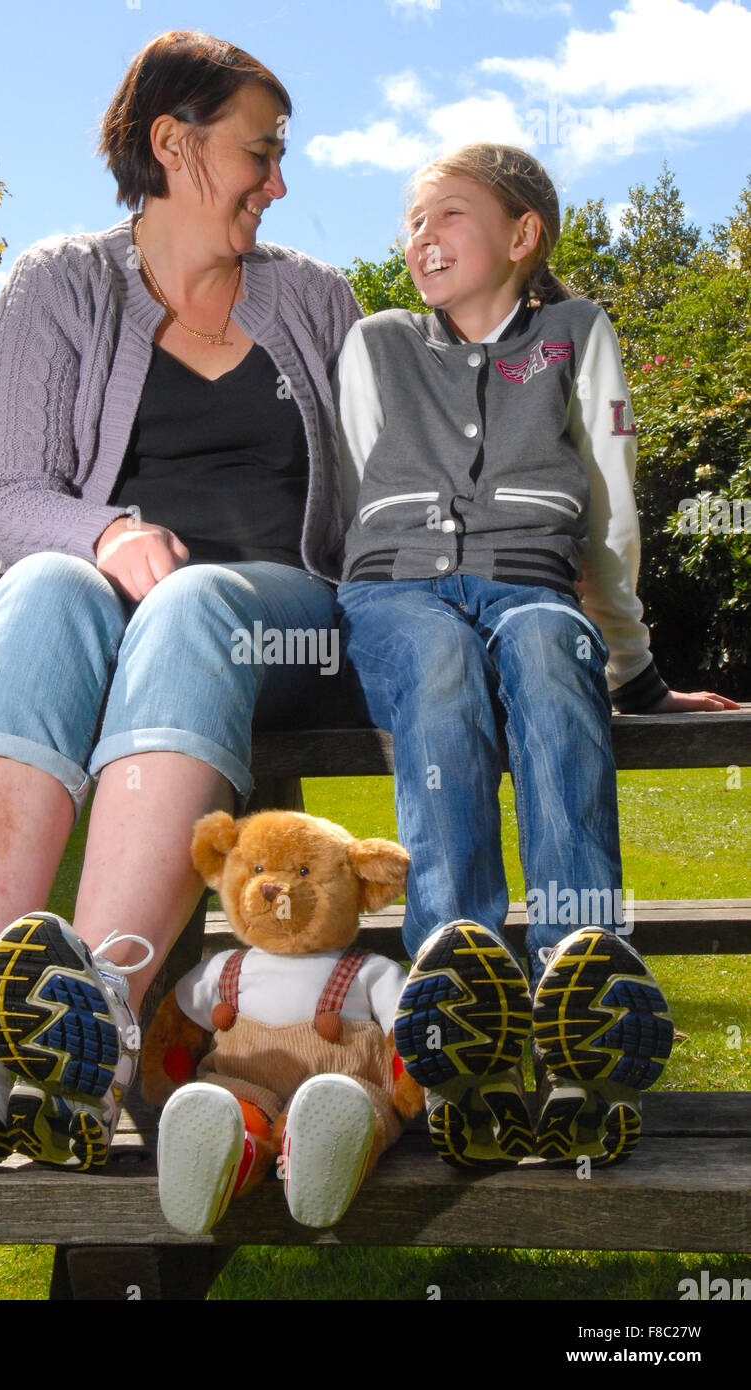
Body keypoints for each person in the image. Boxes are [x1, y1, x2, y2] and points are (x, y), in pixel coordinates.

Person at [0, 30, 360, 1172]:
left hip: (283, 621)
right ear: (172, 144)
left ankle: (93, 1021)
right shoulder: (58, 283)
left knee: (195, 602)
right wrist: (109, 531)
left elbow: (385, 494)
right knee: (41, 589)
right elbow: (5, 494)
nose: (279, 182)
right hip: (114, 614)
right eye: (259, 154)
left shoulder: (315, 300)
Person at [334, 143, 739, 1169]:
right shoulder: (377, 341)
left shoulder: (571, 335)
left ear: (522, 236)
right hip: (397, 592)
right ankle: (456, 988)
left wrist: (633, 670)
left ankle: (580, 991)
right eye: (411, 220)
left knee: (552, 656)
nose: (420, 237)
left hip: (530, 584)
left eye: (448, 216)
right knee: (435, 671)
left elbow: (606, 516)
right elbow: (353, 493)